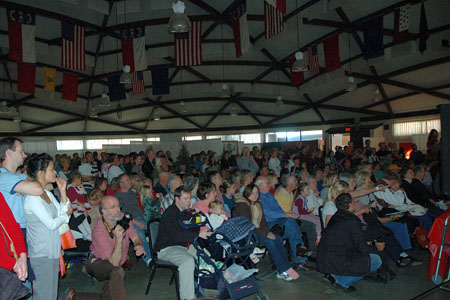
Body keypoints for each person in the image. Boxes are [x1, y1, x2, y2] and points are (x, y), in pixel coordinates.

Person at [70, 196, 145, 300]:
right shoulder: (99, 231)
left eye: (118, 206)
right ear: (104, 212)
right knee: (117, 271)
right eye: (113, 207)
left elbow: (135, 237)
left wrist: (138, 245)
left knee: (109, 297)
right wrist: (118, 240)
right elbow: (114, 263)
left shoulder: (123, 218)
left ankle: (75, 297)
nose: (118, 210)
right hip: (96, 262)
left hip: (115, 261)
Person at [24, 153, 72, 300]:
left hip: (53, 251)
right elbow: (52, 224)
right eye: (51, 169)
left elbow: (65, 218)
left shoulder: (47, 194)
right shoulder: (32, 197)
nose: (55, 172)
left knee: (51, 295)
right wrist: (64, 215)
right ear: (40, 173)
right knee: (44, 295)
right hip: (41, 254)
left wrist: (63, 192)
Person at [0, 137, 44, 292]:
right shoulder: (2, 177)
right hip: (10, 237)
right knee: (19, 281)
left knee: (27, 279)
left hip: (20, 232)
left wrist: (25, 185)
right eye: (21, 151)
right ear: (8, 153)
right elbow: (39, 188)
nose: (24, 155)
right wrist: (28, 185)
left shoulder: (16, 177)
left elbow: (46, 186)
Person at [154, 186, 213, 300]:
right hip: (166, 248)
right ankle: (188, 298)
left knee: (206, 255)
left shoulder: (185, 213)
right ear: (177, 199)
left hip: (183, 246)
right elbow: (177, 235)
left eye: (189, 198)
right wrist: (198, 234)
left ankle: (206, 289)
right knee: (188, 261)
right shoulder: (169, 214)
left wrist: (195, 217)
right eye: (185, 199)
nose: (189, 201)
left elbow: (193, 230)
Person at [317, 193, 383, 292]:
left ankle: (335, 275)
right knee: (376, 260)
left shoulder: (336, 216)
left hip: (325, 257)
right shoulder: (352, 221)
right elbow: (362, 248)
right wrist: (375, 246)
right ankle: (343, 282)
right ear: (350, 204)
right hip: (337, 259)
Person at [234, 184, 299, 281]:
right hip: (247, 233)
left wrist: (268, 232)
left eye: (256, 193)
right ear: (247, 193)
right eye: (252, 193)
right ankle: (282, 270)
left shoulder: (258, 204)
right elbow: (247, 225)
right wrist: (265, 234)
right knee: (270, 242)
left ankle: (286, 267)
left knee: (278, 238)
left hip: (258, 231)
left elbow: (263, 222)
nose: (255, 195)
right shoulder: (242, 205)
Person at [255, 176, 313, 269]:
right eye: (267, 183)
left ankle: (299, 252)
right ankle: (299, 254)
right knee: (291, 224)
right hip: (267, 224)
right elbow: (266, 212)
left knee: (291, 222)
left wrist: (286, 214)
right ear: (260, 185)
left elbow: (278, 209)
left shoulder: (269, 195)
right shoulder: (257, 197)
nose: (269, 185)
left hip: (277, 221)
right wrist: (284, 214)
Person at [114, 174, 151, 266]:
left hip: (142, 217)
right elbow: (120, 213)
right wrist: (135, 222)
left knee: (158, 227)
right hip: (131, 221)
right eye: (127, 180)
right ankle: (149, 260)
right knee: (140, 235)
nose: (130, 181)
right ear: (121, 184)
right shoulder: (118, 196)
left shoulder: (132, 193)